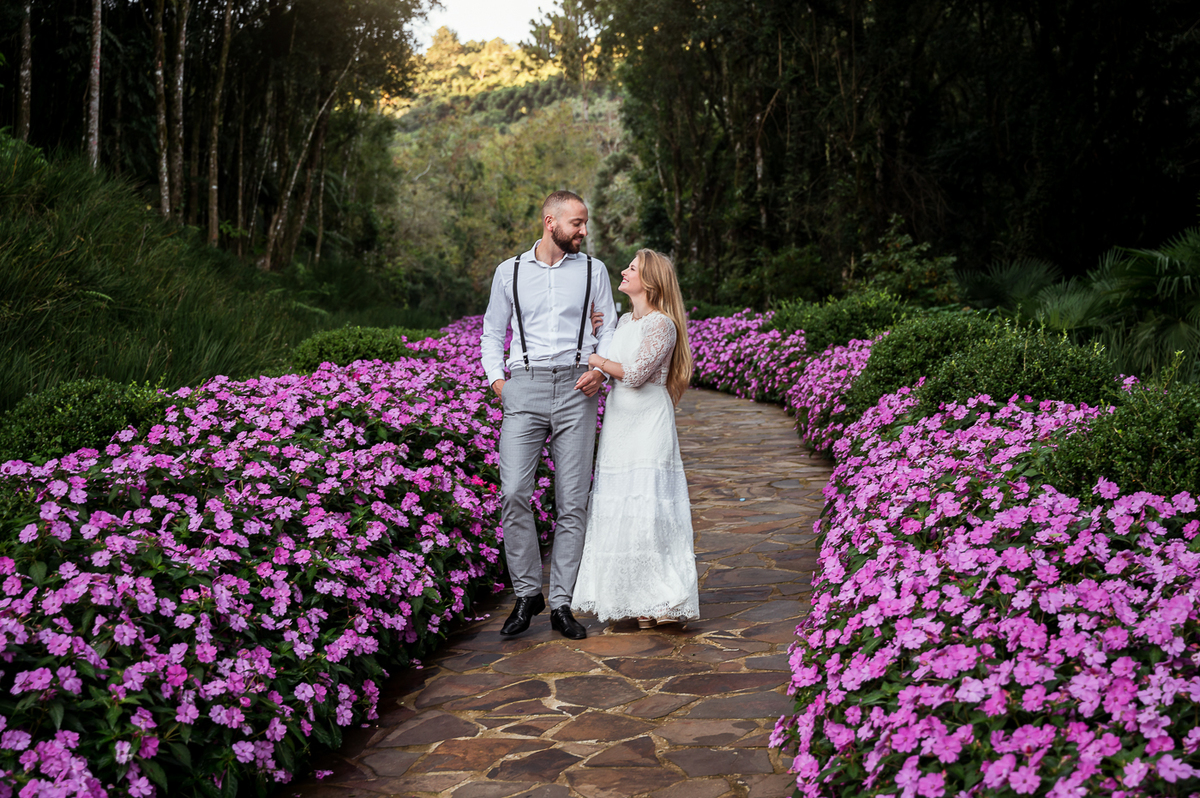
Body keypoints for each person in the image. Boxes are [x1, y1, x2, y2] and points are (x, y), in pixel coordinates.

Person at [480, 190, 618, 640]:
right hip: (525, 386)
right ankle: (526, 593)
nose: (583, 231)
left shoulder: (594, 270)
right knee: (515, 491)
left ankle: (560, 602)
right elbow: (491, 330)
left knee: (572, 501)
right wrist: (499, 382)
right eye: (576, 223)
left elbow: (610, 328)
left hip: (579, 386)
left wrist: (599, 370)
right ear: (549, 222)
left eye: (584, 223)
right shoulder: (511, 271)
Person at [571, 249, 699, 628]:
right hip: (619, 423)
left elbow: (636, 373)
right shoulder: (625, 320)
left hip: (648, 423)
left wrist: (594, 358)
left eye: (632, 268)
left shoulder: (663, 324)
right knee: (619, 506)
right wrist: (600, 334)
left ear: (651, 281)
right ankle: (631, 600)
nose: (624, 272)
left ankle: (657, 601)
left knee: (649, 509)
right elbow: (617, 359)